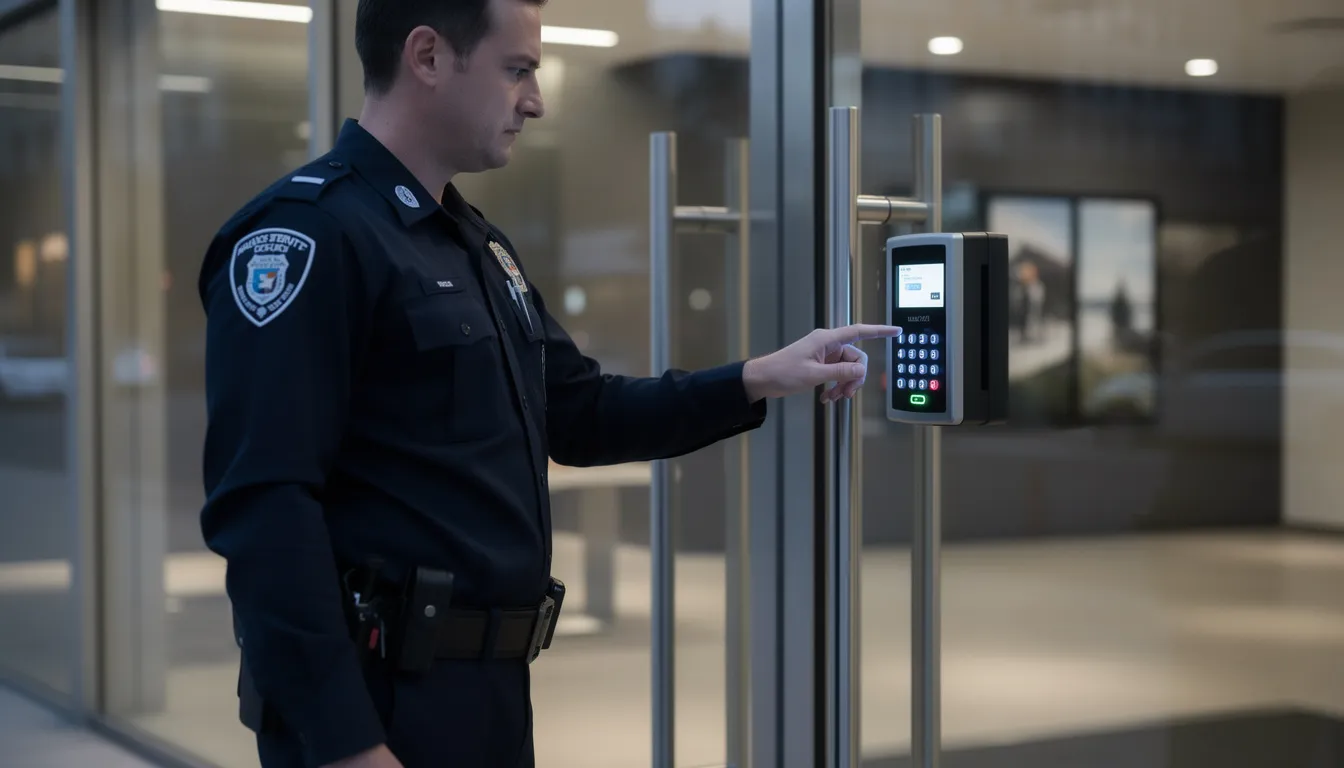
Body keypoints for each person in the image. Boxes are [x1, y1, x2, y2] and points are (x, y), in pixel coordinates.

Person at [196, 0, 900, 766]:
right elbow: (265, 511)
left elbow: (581, 412)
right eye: (518, 69)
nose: (535, 100)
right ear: (428, 57)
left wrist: (757, 378)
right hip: (377, 706)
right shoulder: (309, 237)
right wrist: (345, 744)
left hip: (486, 696)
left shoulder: (477, 247)